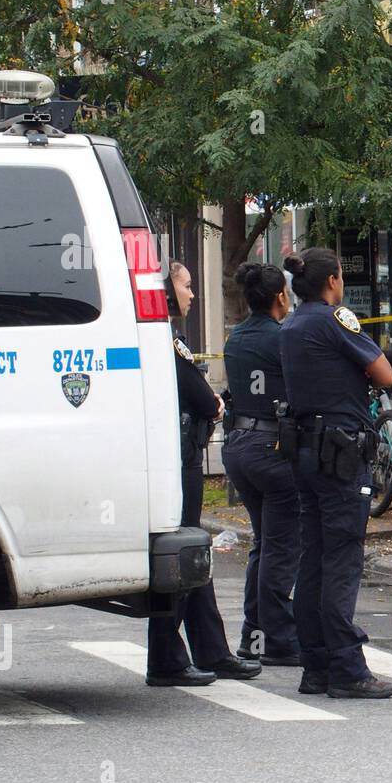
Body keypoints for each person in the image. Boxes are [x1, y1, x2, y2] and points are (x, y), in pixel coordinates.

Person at [279, 249, 392, 699]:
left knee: (312, 558)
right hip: (341, 454)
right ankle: (348, 669)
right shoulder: (336, 319)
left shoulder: (289, 325)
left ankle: (316, 666)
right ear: (332, 281)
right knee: (342, 560)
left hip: (305, 451)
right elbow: (384, 375)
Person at [146, 262, 262, 686]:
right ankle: (165, 658)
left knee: (193, 556)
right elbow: (199, 397)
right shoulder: (165, 339)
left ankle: (211, 651)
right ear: (165, 290)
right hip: (179, 462)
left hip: (181, 457)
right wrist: (213, 402)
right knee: (182, 555)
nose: (193, 295)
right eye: (187, 286)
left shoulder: (165, 337)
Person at [223, 262, 301, 667]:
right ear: (280, 298)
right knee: (281, 546)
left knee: (264, 542)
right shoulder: (282, 338)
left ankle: (253, 635)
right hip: (271, 448)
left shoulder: (236, 338)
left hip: (238, 445)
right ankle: (280, 639)